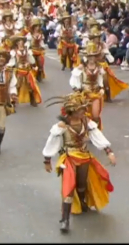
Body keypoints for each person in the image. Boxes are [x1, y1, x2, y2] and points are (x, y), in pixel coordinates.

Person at [42, 92, 116, 233]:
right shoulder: (61, 126)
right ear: (72, 111)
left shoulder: (86, 122)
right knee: (68, 188)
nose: (84, 111)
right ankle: (65, 220)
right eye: (81, 110)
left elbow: (97, 136)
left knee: (82, 184)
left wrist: (109, 152)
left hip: (84, 156)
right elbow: (52, 142)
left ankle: (82, 203)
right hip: (69, 158)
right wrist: (47, 160)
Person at [69, 42, 105, 130]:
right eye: (90, 56)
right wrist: (77, 89)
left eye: (93, 56)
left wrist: (101, 88)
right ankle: (84, 131)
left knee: (96, 115)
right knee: (84, 115)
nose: (92, 58)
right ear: (87, 57)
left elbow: (100, 79)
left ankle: (94, 133)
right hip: (84, 94)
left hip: (95, 93)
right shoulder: (81, 68)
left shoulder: (99, 67)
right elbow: (74, 79)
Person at [87, 27, 128, 103]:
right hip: (93, 65)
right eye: (96, 37)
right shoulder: (89, 45)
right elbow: (87, 56)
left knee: (106, 82)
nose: (98, 39)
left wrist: (106, 55)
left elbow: (108, 56)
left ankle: (108, 97)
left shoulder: (103, 45)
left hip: (102, 65)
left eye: (98, 37)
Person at [0, 45, 17, 155]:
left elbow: (12, 86)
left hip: (3, 103)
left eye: (3, 58)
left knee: (1, 127)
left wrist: (13, 95)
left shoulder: (10, 72)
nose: (0, 60)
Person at [10, 34, 42, 107]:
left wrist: (34, 65)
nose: (21, 43)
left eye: (22, 42)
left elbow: (30, 58)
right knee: (17, 85)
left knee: (31, 85)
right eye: (19, 42)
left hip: (27, 70)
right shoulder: (14, 51)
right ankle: (14, 101)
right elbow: (11, 61)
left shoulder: (27, 50)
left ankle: (32, 100)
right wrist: (10, 67)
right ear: (16, 43)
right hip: (19, 70)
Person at [26, 18, 45, 82]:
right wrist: (28, 48)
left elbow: (41, 43)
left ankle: (39, 74)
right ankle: (32, 75)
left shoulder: (41, 35)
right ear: (33, 27)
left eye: (39, 26)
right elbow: (27, 43)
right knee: (32, 64)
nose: (38, 27)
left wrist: (42, 47)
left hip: (39, 51)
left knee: (40, 65)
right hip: (32, 51)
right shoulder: (29, 35)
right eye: (36, 26)